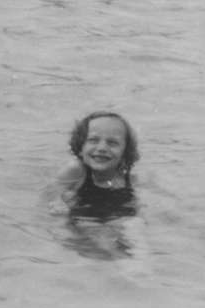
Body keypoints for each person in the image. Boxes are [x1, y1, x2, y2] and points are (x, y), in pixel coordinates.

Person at [43, 111, 145, 259]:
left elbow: (139, 205)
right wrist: (58, 209)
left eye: (112, 143)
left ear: (125, 152)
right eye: (93, 140)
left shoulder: (128, 177)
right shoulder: (75, 171)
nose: (102, 147)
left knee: (137, 234)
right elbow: (46, 198)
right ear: (80, 147)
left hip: (117, 217)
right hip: (83, 219)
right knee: (107, 247)